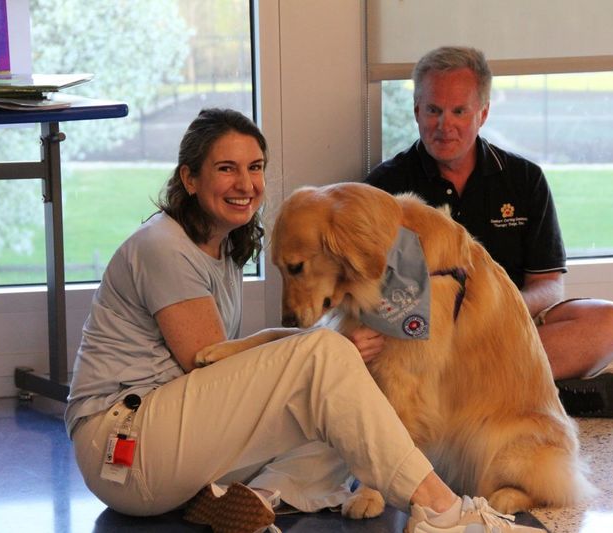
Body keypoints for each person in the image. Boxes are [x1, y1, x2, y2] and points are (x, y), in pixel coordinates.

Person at [65, 108, 544, 533]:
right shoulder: (163, 248)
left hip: (172, 444)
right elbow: (205, 365)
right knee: (328, 360)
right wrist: (325, 346)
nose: (245, 183)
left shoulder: (222, 248)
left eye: (254, 168)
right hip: (125, 445)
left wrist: (323, 352)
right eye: (225, 169)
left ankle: (253, 500)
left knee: (343, 419)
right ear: (189, 179)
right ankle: (443, 512)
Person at [365, 46, 613, 418]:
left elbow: (547, 284)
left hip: (507, 329)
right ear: (417, 111)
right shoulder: (385, 188)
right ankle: (541, 395)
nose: (445, 125)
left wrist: (494, 315)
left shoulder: (525, 179)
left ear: (483, 113)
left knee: (612, 323)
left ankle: (489, 397)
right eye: (433, 110)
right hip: (428, 340)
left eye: (459, 111)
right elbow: (371, 292)